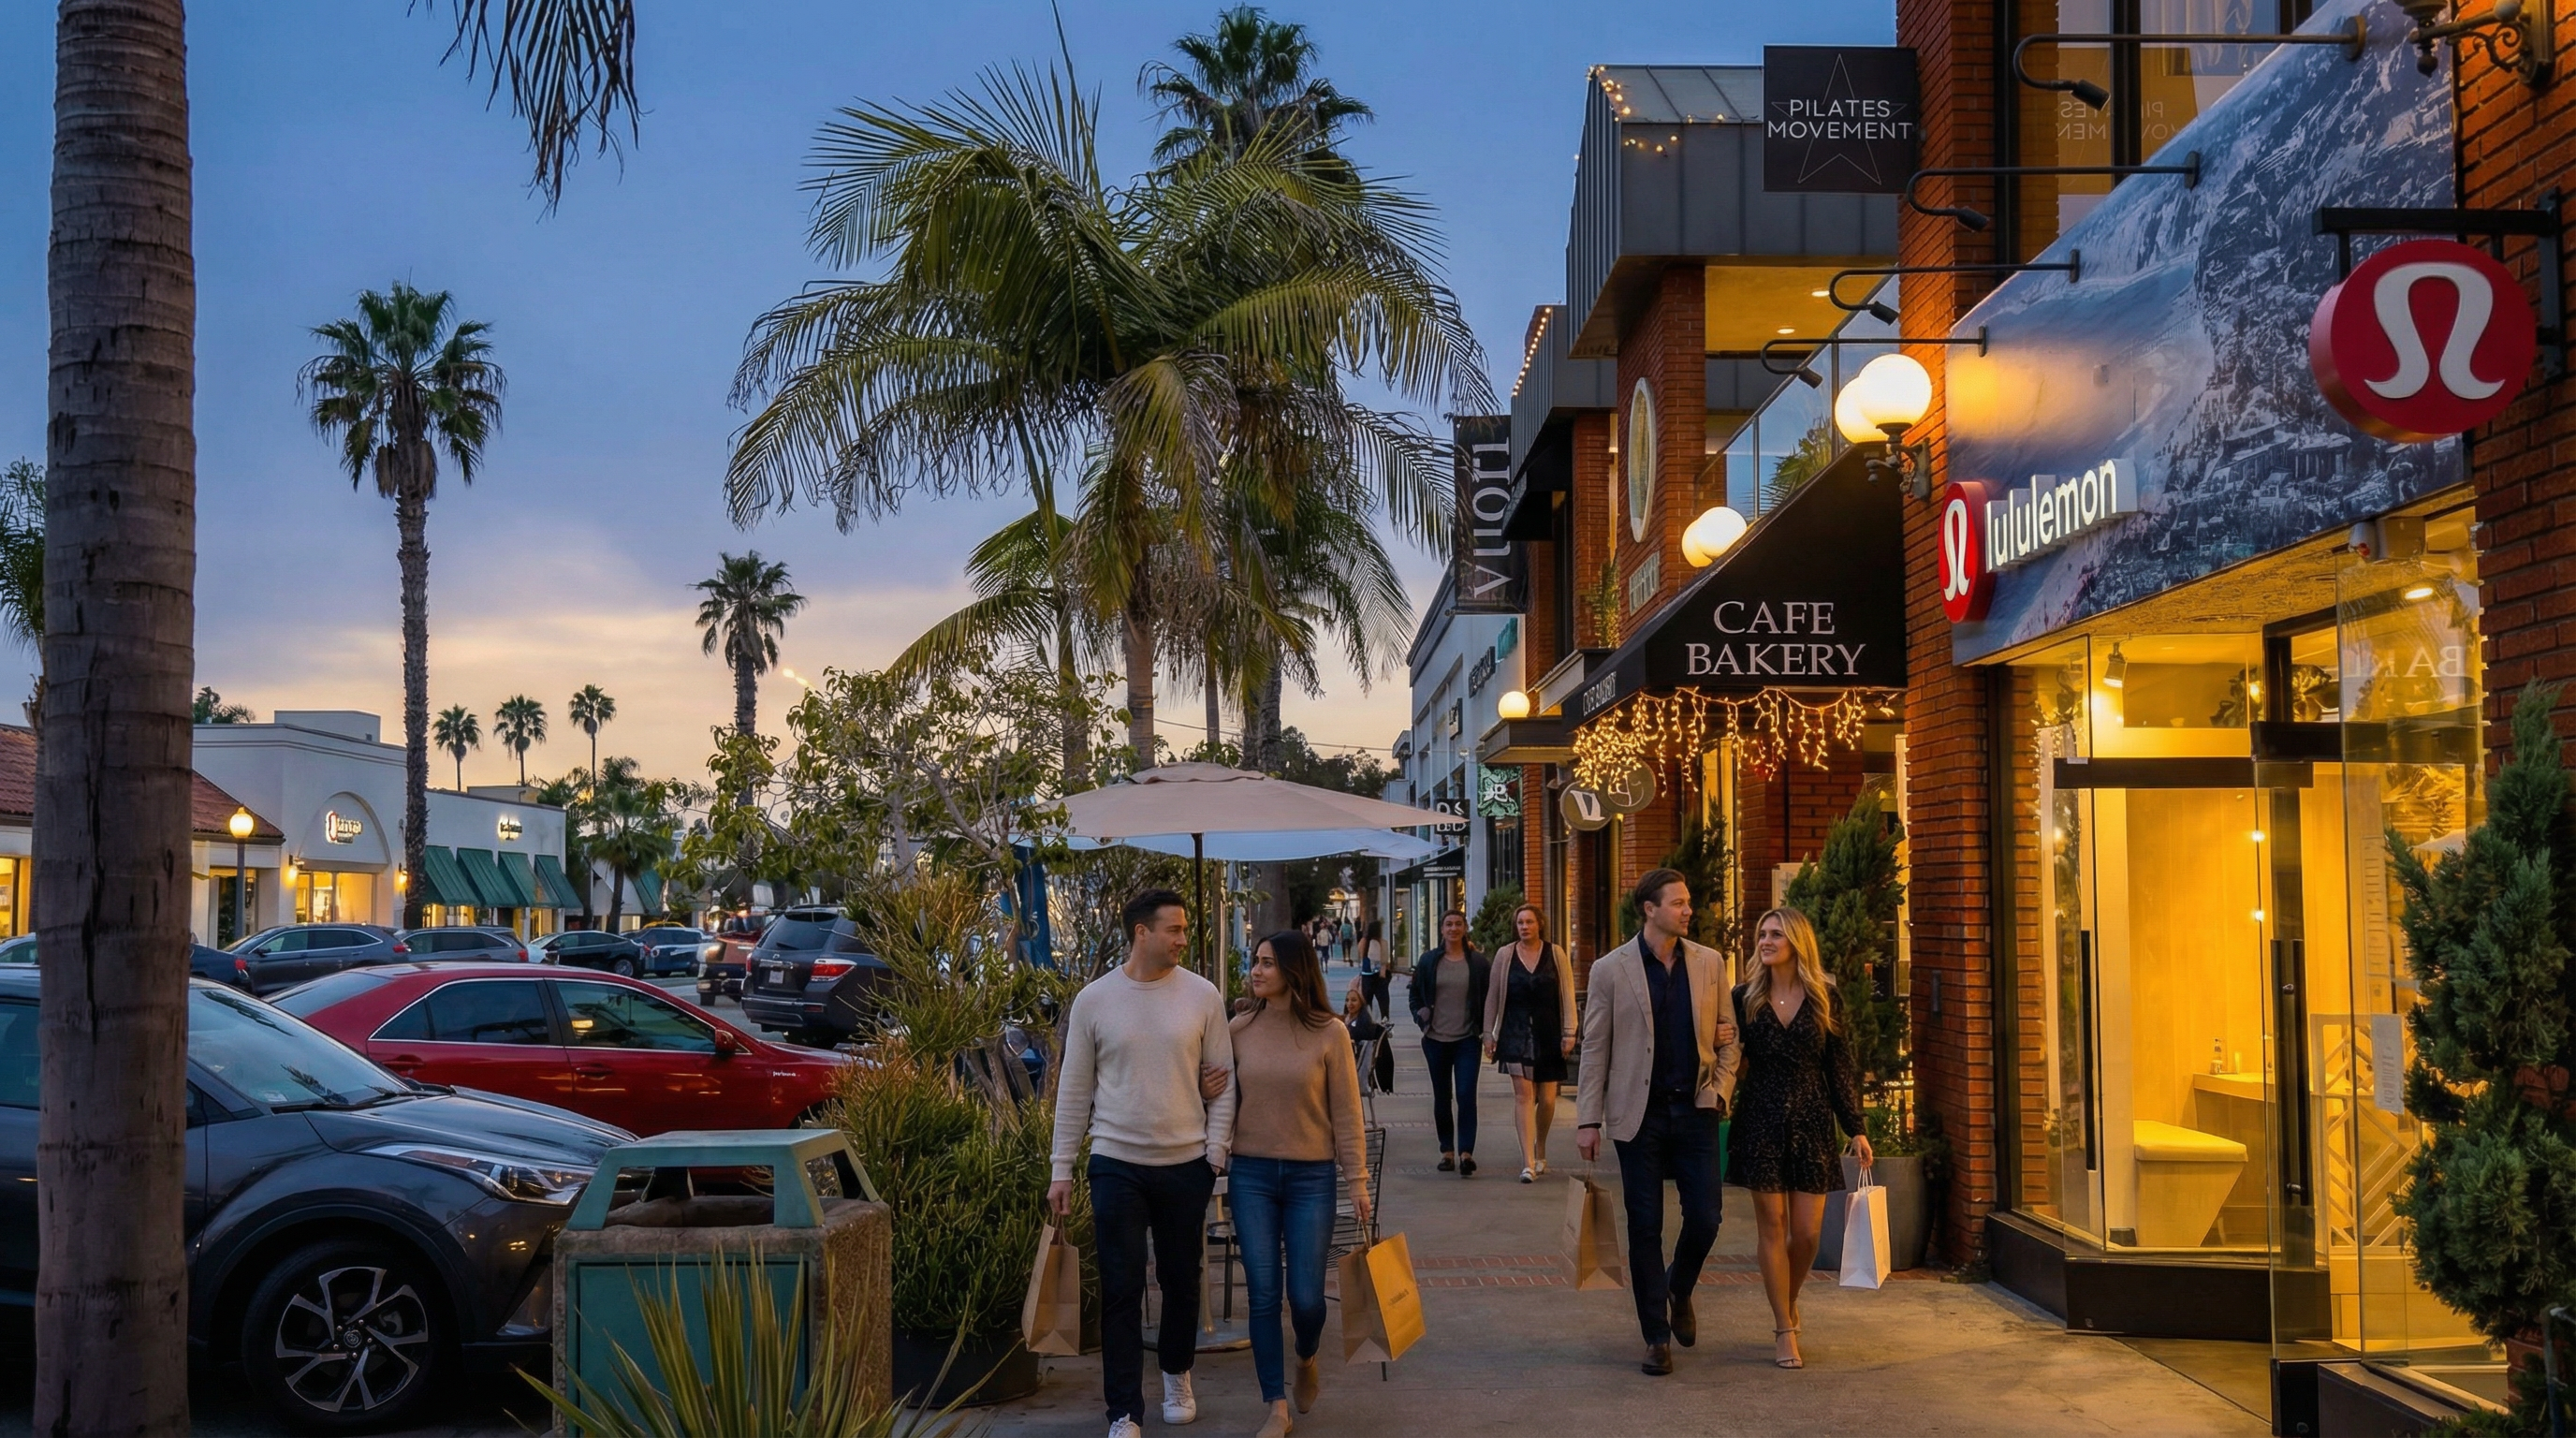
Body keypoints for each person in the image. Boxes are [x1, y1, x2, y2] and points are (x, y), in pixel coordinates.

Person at [1050, 888, 1240, 1437]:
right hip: (1116, 1162)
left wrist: (1215, 1150)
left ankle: (1177, 1374)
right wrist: (1061, 1167)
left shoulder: (1203, 996)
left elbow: (1223, 1080)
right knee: (1121, 1286)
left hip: (1186, 1163)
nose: (1183, 939)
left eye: (1184, 929)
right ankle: (1124, 1410)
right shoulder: (1094, 1000)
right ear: (1141, 932)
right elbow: (1073, 1090)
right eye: (1174, 930)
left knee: (1183, 1281)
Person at [1575, 868, 1742, 1377]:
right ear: (1650, 909)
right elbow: (1595, 1046)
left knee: (1707, 1218)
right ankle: (1654, 1336)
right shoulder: (1609, 969)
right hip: (1637, 1115)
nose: (1689, 910)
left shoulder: (1710, 964)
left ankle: (1679, 1287)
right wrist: (1588, 1119)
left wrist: (1719, 1091)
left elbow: (1730, 1039)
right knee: (1644, 1227)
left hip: (1695, 1109)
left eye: (1688, 902)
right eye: (1679, 903)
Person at [1229, 930, 1371, 1438]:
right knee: (1264, 1295)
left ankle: (1307, 1356)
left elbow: (1347, 1114)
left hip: (1312, 1175)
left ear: (1294, 970)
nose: (1256, 970)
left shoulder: (1330, 1033)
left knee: (1307, 1297)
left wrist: (1357, 1181)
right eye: (1255, 962)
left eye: (1267, 963)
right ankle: (1276, 1405)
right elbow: (1220, 1097)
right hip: (1251, 1175)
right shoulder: (1239, 1029)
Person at [1731, 906, 1872, 1371]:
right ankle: (1783, 1327)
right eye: (1761, 935)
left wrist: (1856, 1127)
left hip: (1812, 1121)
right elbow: (1728, 1056)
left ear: (1797, 942)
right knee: (1772, 1227)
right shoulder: (1743, 997)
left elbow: (1839, 1066)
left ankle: (1786, 1300)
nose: (1765, 942)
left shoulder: (1824, 997)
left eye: (1775, 934)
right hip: (1760, 1120)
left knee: (1807, 1233)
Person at [1483, 903, 1576, 1182]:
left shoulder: (1555, 954)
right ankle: (1527, 1162)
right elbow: (1493, 996)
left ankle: (1541, 1147)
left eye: (1529, 922)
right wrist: (1489, 1033)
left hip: (1548, 1030)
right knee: (1523, 1096)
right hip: (1515, 1030)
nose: (1524, 927)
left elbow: (1567, 992)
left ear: (1540, 925)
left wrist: (1569, 1031)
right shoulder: (1505, 955)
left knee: (1547, 1099)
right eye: (1520, 923)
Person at [1407, 909, 1489, 1177]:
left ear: (1465, 928)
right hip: (1436, 1040)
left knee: (1466, 1095)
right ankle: (1447, 1151)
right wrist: (1420, 1016)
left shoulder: (1477, 963)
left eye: (1458, 924)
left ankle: (1466, 1153)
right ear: (1441, 929)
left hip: (1467, 1039)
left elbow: (1489, 998)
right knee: (1443, 1096)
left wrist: (1487, 1031)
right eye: (1448, 924)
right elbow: (1415, 995)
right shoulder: (1429, 960)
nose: (1453, 928)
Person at [1342, 981, 1395, 1093]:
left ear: (1361, 1002)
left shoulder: (1362, 1024)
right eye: (1347, 1000)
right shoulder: (1346, 1019)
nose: (1349, 1003)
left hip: (1353, 1064)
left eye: (1354, 1000)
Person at [1355, 919, 1390, 1020]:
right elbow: (1384, 961)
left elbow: (1361, 956)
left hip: (1366, 975)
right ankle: (1385, 1023)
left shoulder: (1363, 942)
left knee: (1367, 1003)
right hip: (1379, 976)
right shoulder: (1383, 942)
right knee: (1383, 1003)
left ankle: (1367, 1023)